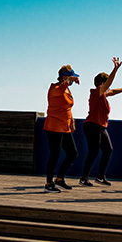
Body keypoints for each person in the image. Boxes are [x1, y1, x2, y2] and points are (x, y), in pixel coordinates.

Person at [80, 57, 122, 187]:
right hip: (92, 125)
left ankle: (100, 177)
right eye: (105, 84)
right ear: (101, 83)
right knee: (93, 152)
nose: (107, 86)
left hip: (100, 127)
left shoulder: (102, 94)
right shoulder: (97, 92)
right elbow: (109, 85)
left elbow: (112, 91)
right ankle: (84, 178)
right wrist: (115, 69)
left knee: (108, 150)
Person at [43, 64, 80, 193]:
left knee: (72, 153)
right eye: (72, 78)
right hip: (54, 126)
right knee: (55, 155)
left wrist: (72, 120)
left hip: (65, 127)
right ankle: (48, 184)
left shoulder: (67, 89)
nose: (74, 81)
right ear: (65, 77)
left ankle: (59, 179)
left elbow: (67, 107)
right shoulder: (55, 88)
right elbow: (59, 91)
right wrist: (69, 80)